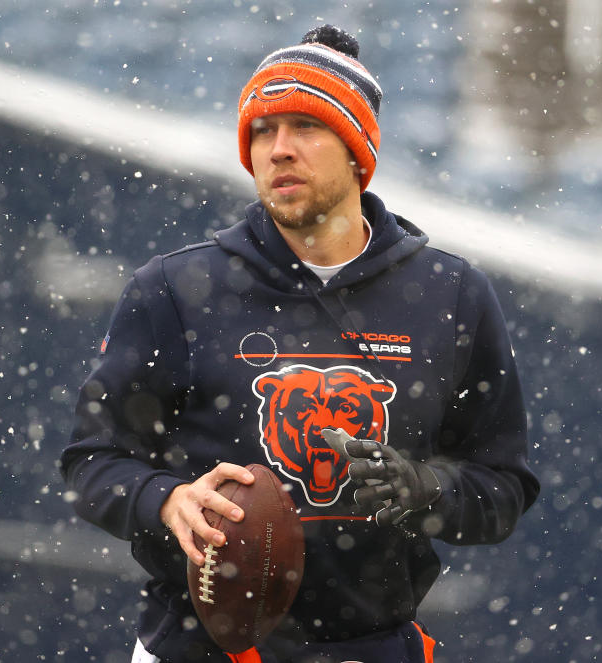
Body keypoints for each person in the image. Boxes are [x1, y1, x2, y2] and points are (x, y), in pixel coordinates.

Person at [60, 24, 540, 663]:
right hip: (197, 647)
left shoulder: (451, 294)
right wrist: (168, 500)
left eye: (305, 127)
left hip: (373, 647)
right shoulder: (175, 289)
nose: (279, 149)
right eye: (263, 130)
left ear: (356, 150)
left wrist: (425, 491)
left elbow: (503, 488)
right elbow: (92, 462)